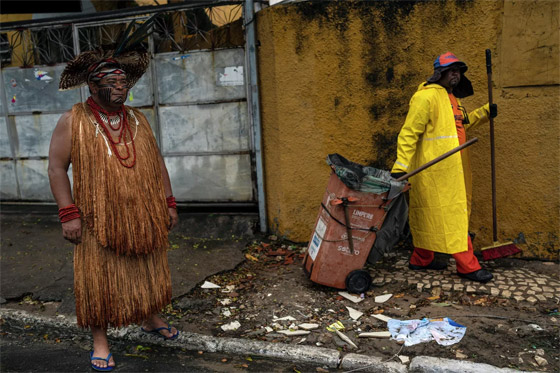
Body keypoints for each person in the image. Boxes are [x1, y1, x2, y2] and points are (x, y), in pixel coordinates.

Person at [48, 44, 179, 371]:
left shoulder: (137, 119)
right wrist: (68, 213)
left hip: (144, 214)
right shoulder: (73, 120)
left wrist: (168, 202)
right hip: (97, 220)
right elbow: (55, 168)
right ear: (93, 86)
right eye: (112, 82)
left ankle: (148, 317)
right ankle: (101, 340)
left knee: (146, 268)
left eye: (123, 82)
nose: (120, 87)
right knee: (99, 278)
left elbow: (157, 163)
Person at [390, 52, 496, 283]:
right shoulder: (425, 98)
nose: (456, 74)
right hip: (435, 171)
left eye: (458, 70)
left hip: (456, 168)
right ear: (440, 73)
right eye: (451, 70)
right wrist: (400, 165)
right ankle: (467, 266)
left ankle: (422, 259)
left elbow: (462, 124)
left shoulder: (453, 99)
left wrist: (486, 112)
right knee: (450, 217)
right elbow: (409, 132)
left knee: (430, 216)